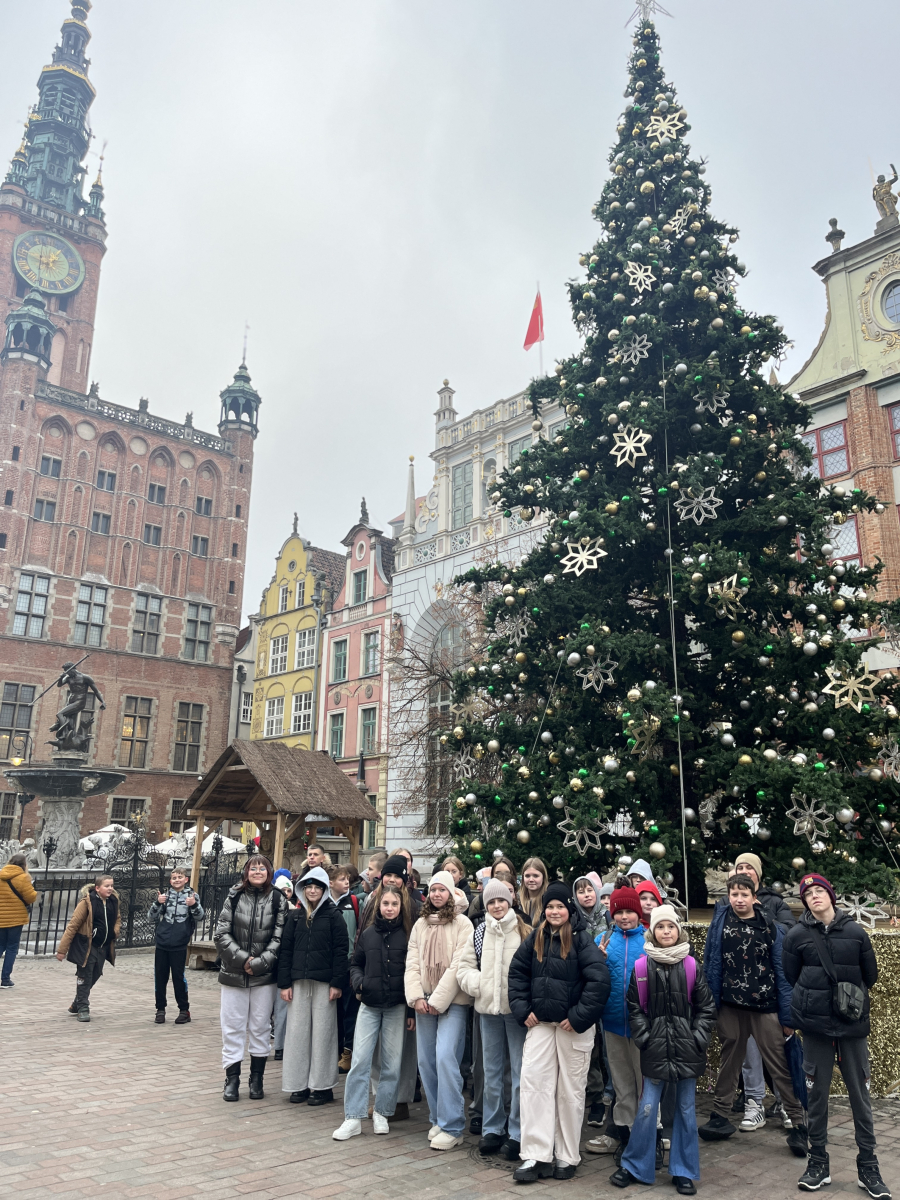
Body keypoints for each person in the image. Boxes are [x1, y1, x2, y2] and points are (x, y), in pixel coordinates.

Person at [783, 874, 889, 1198]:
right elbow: (791, 975)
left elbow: (870, 975)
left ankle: (868, 1166)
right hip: (815, 1029)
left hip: (851, 1028)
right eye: (808, 893)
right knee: (816, 1097)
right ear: (804, 901)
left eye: (820, 891)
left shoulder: (856, 933)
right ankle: (818, 1162)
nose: (815, 896)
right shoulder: (796, 935)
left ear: (831, 895)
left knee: (860, 1098)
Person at [609, 905, 717, 1195]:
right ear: (652, 931)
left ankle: (683, 1170)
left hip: (687, 1049)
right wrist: (645, 1038)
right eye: (660, 927)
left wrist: (697, 1038)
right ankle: (635, 1165)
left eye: (670, 926)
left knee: (686, 1110)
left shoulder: (691, 965)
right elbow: (635, 1007)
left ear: (678, 930)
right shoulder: (642, 967)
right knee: (647, 1108)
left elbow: (706, 1008)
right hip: (655, 1048)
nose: (666, 932)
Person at [507, 881, 610, 1182]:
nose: (554, 911)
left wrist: (578, 1017)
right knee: (534, 1086)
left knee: (570, 1091)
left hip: (571, 1028)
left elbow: (599, 981)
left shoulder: (581, 940)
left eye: (560, 906)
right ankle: (536, 1154)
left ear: (569, 909)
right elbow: (517, 973)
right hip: (541, 1024)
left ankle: (566, 1155)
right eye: (550, 906)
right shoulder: (536, 937)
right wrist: (522, 1009)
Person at [700, 873, 807, 1155]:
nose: (739, 899)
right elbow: (711, 963)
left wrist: (787, 1016)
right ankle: (720, 1115)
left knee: (779, 1065)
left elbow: (783, 972)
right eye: (734, 894)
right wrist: (710, 1004)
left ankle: (798, 1122)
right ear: (728, 896)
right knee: (730, 1062)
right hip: (730, 1006)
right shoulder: (720, 923)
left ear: (754, 897)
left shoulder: (770, 927)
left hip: (765, 1007)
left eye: (744, 894)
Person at [716, 855, 796, 1132]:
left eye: (749, 867)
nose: (744, 871)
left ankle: (791, 1110)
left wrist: (763, 915)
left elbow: (786, 937)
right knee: (743, 1058)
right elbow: (715, 954)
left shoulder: (774, 905)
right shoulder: (723, 909)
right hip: (733, 1000)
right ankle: (750, 1104)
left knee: (777, 1058)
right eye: (740, 867)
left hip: (765, 999)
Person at [457, 878, 531, 1161]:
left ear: (509, 902)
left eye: (502, 900)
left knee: (519, 1072)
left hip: (516, 1012)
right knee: (491, 1071)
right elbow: (464, 968)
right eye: (492, 901)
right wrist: (480, 985)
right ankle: (492, 1127)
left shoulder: (523, 930)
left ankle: (518, 1130)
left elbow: (533, 968)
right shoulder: (479, 932)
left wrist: (522, 997)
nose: (497, 906)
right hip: (487, 1011)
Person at [333, 886, 415, 1140]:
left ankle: (382, 1111)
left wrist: (411, 1009)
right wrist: (360, 983)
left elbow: (413, 972)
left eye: (394, 904)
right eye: (386, 903)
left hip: (396, 1006)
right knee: (360, 1060)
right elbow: (356, 963)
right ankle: (353, 1117)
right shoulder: (368, 934)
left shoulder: (408, 935)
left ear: (401, 907)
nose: (389, 908)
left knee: (391, 1063)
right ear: (379, 905)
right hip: (369, 1005)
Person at [404, 869, 472, 1150]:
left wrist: (437, 1001)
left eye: (442, 889)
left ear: (451, 892)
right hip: (424, 1002)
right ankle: (437, 1118)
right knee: (427, 1062)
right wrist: (416, 997)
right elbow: (412, 963)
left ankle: (453, 1125)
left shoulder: (463, 923)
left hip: (452, 1002)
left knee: (445, 1058)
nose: (436, 894)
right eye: (433, 889)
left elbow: (459, 965)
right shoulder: (420, 924)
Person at [214, 854, 285, 1102]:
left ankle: (257, 1079)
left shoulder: (277, 898)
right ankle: (232, 1078)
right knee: (232, 1026)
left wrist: (260, 963)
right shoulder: (234, 896)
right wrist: (243, 959)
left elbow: (279, 937)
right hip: (234, 973)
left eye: (262, 868)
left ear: (269, 873)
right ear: (246, 872)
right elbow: (222, 933)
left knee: (260, 1026)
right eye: (253, 868)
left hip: (264, 976)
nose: (257, 872)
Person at [278, 866, 349, 1107]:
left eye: (317, 887)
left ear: (324, 889)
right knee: (297, 1034)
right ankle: (297, 1084)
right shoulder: (296, 917)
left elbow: (341, 951)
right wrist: (285, 983)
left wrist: (337, 983)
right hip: (299, 982)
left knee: (323, 1035)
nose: (312, 891)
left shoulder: (334, 916)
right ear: (302, 889)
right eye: (308, 887)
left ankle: (322, 1086)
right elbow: (286, 950)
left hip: (324, 984)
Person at [585, 887, 646, 1160]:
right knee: (621, 1083)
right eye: (619, 912)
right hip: (612, 1022)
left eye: (629, 911)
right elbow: (594, 977)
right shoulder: (603, 940)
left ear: (638, 914)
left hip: (642, 1026)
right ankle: (625, 1133)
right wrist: (598, 961)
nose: (624, 917)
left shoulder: (649, 940)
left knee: (644, 1083)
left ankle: (648, 1136)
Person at [573, 873, 612, 1127]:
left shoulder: (608, 919)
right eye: (581, 891)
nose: (586, 895)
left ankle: (611, 1094)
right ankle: (595, 1096)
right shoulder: (574, 920)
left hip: (606, 990)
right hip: (583, 990)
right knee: (591, 1047)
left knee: (608, 1048)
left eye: (589, 890)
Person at [55, 874, 120, 1022]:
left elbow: (118, 919)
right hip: (87, 946)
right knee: (85, 975)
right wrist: (62, 950)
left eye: (111, 885)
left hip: (103, 946)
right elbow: (73, 925)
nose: (110, 888)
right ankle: (83, 1008)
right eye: (106, 886)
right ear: (97, 888)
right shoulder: (87, 902)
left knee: (96, 974)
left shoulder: (113, 901)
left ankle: (77, 1002)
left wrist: (114, 931)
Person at [149, 865, 204, 1024]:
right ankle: (160, 1009)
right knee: (160, 977)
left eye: (180, 877)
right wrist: (157, 903)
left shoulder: (192, 895)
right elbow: (151, 917)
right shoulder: (165, 896)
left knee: (178, 977)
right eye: (174, 878)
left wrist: (193, 904)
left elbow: (200, 917)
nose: (177, 880)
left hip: (179, 944)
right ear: (170, 881)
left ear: (186, 879)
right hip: (162, 943)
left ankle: (184, 1010)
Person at [331, 865, 360, 1071]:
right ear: (331, 883)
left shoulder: (355, 902)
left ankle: (347, 1051)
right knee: (333, 1013)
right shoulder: (323, 903)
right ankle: (334, 1050)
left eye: (347, 879)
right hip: (329, 966)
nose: (346, 882)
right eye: (341, 879)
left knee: (350, 1011)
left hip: (349, 964)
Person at [0, 852, 37, 987]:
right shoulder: (23, 877)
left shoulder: (1, 875)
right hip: (16, 919)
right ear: (24, 864)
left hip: (1, 917)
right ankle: (5, 979)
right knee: (11, 948)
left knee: (0, 945)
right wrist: (34, 889)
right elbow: (31, 897)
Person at [272, 873, 297, 1061]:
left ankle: (279, 1045)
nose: (286, 893)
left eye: (289, 890)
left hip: (283, 963)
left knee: (282, 1008)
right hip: (268, 964)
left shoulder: (294, 913)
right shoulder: (269, 910)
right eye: (282, 890)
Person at [517, 858, 549, 924]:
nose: (531, 879)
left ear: (543, 877)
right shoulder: (516, 900)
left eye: (535, 876)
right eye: (527, 876)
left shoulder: (549, 900)